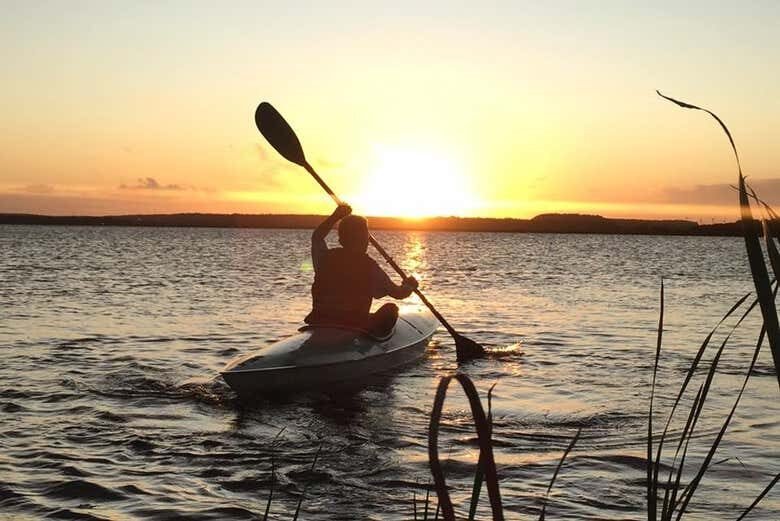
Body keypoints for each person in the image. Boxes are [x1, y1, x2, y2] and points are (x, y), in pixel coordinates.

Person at [304, 204, 418, 337]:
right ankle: (373, 340)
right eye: (365, 237)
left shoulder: (324, 259)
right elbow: (398, 293)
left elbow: (317, 237)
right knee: (391, 309)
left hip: (320, 321)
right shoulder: (370, 267)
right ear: (365, 240)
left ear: (341, 240)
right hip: (354, 325)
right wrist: (409, 286)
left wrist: (336, 216)